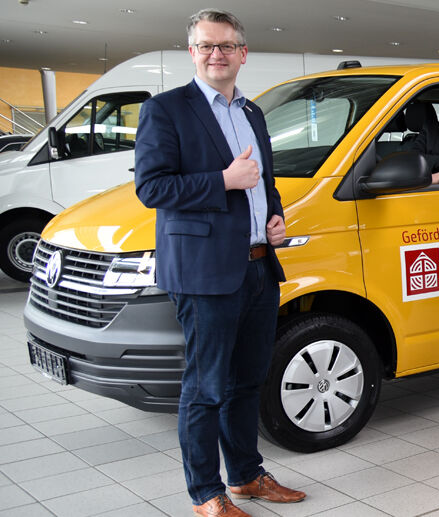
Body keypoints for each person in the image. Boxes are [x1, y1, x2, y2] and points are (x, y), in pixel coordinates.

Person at [134, 9, 306, 517]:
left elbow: (265, 180)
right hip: (205, 273)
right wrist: (223, 181)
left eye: (226, 46)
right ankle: (206, 493)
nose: (217, 54)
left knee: (246, 382)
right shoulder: (165, 110)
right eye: (207, 46)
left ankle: (247, 476)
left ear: (242, 53)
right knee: (205, 389)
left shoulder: (252, 112)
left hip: (257, 267)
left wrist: (273, 218)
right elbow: (152, 187)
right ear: (191, 52)